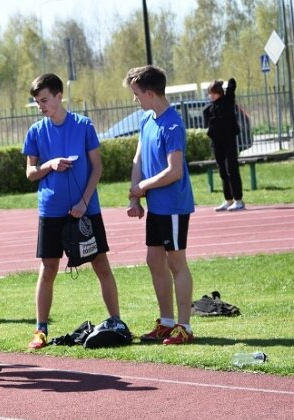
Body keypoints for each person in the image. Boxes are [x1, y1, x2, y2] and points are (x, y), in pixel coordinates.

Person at [22, 73, 125, 349]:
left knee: (101, 264)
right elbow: (31, 173)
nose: (41, 106)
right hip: (51, 210)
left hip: (85, 209)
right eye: (37, 102)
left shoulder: (83, 125)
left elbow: (97, 168)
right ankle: (40, 329)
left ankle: (116, 320)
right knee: (48, 268)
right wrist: (50, 164)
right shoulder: (35, 131)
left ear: (59, 96)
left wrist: (83, 202)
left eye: (44, 100)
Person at [124, 65, 196, 345]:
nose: (135, 99)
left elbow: (174, 171)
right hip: (155, 205)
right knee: (154, 260)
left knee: (176, 263)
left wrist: (143, 187)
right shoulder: (146, 121)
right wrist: (134, 196)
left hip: (173, 206)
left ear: (150, 93)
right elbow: (138, 160)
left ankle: (185, 327)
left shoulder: (173, 124)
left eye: (137, 94)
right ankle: (166, 322)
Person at [203, 78, 244, 212]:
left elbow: (232, 84)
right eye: (210, 93)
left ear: (220, 92)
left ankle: (238, 200)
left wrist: (225, 83)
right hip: (217, 143)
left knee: (231, 169)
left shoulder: (227, 101)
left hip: (229, 141)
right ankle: (228, 199)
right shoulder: (208, 109)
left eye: (214, 92)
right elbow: (208, 126)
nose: (212, 95)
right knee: (222, 172)